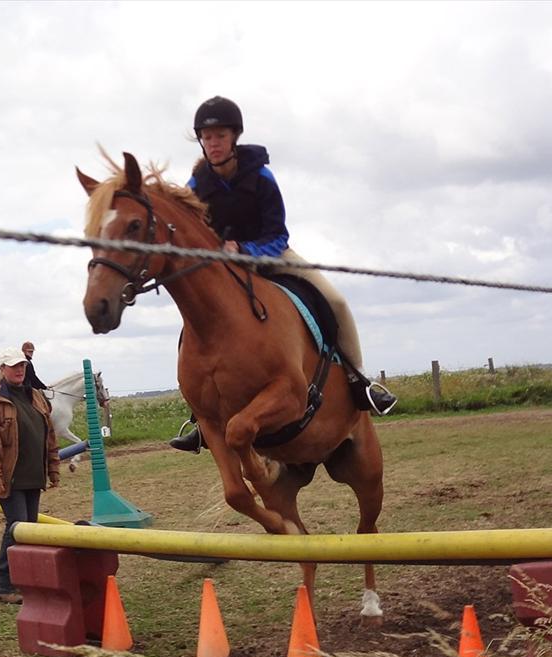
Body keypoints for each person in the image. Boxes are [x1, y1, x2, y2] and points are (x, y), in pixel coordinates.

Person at [169, 96, 397, 453]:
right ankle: (201, 417)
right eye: (207, 137)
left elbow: (278, 234)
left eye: (220, 136)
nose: (213, 144)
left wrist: (245, 250)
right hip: (228, 269)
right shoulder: (197, 185)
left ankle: (359, 382)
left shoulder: (261, 176)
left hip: (272, 256)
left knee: (335, 300)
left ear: (234, 137)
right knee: (201, 323)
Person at [0, 348, 61, 604]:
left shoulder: (36, 397)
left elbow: (49, 436)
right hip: (9, 478)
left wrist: (53, 468)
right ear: (2, 369)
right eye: (13, 366)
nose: (19, 370)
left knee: (29, 530)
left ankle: (25, 581)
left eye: (22, 365)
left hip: (33, 475)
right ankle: (5, 585)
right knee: (17, 527)